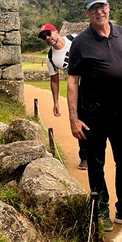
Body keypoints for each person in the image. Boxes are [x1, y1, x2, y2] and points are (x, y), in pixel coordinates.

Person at [67, 0, 122, 230]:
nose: (99, 11)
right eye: (93, 8)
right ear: (87, 13)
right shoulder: (80, 43)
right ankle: (101, 207)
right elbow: (72, 81)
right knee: (96, 163)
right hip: (93, 114)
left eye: (102, 6)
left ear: (109, 7)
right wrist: (74, 119)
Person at [38, 23, 87, 171]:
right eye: (43, 37)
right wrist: (55, 102)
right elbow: (54, 80)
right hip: (78, 90)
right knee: (80, 121)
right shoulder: (51, 57)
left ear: (56, 31)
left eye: (48, 34)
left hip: (96, 82)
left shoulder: (75, 39)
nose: (47, 38)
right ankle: (85, 157)